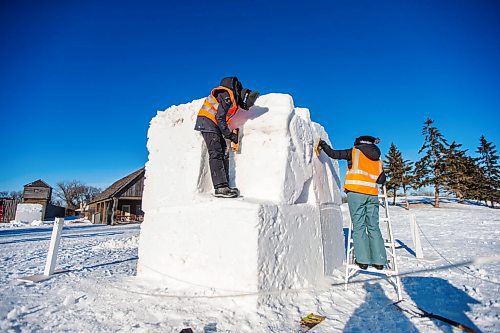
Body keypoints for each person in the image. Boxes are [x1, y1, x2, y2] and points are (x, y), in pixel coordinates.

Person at [317, 135, 387, 270]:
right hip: (372, 196)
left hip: (356, 194)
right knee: (373, 226)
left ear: (358, 143)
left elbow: (334, 154)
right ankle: (379, 260)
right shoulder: (378, 160)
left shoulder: (354, 152)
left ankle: (363, 260)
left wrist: (323, 145)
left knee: (359, 226)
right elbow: (381, 179)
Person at [194, 77, 259, 198]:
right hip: (207, 122)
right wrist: (229, 134)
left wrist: (228, 134)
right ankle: (220, 188)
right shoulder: (227, 95)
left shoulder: (231, 97)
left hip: (212, 123)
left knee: (223, 151)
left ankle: (225, 185)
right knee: (216, 152)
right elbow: (220, 117)